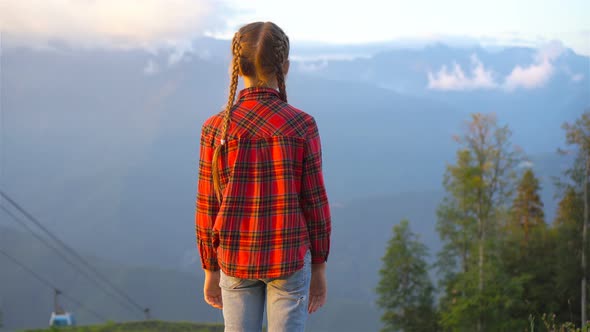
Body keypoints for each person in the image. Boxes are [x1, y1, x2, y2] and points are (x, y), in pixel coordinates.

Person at [195, 21, 332, 332]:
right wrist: (320, 267)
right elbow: (315, 202)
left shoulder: (215, 128)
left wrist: (210, 270)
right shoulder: (301, 125)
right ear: (285, 66)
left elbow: (207, 207)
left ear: (236, 66)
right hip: (289, 258)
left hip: (235, 257)